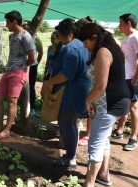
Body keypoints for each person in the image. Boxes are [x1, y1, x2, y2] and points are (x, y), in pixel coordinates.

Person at [76, 22, 131, 187]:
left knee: (95, 143)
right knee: (103, 138)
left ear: (93, 38)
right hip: (116, 102)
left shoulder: (103, 52)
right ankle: (104, 175)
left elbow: (100, 86)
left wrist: (87, 102)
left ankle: (88, 186)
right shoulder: (112, 47)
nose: (84, 46)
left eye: (85, 42)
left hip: (109, 104)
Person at [41, 18, 90, 170]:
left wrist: (50, 83)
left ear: (69, 34)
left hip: (74, 91)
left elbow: (65, 75)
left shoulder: (71, 48)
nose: (60, 39)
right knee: (71, 123)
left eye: (61, 35)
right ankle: (71, 155)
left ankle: (70, 158)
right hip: (82, 89)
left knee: (66, 122)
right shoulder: (83, 46)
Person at [0, 11, 36, 140]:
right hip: (9, 71)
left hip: (19, 72)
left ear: (14, 22)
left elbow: (32, 58)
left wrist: (22, 66)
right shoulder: (12, 36)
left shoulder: (26, 36)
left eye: (7, 22)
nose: (6, 24)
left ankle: (7, 130)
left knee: (12, 101)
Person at [112, 13, 138, 151]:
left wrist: (135, 78)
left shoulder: (137, 37)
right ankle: (120, 130)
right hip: (126, 77)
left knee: (133, 106)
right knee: (126, 103)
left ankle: (133, 138)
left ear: (128, 23)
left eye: (120, 22)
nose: (119, 25)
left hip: (133, 78)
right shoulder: (128, 38)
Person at [23, 22, 44, 116]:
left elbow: (41, 53)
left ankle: (32, 108)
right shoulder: (21, 38)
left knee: (31, 87)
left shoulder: (36, 39)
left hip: (32, 66)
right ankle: (23, 106)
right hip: (22, 65)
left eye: (26, 27)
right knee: (21, 86)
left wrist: (36, 63)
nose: (24, 29)